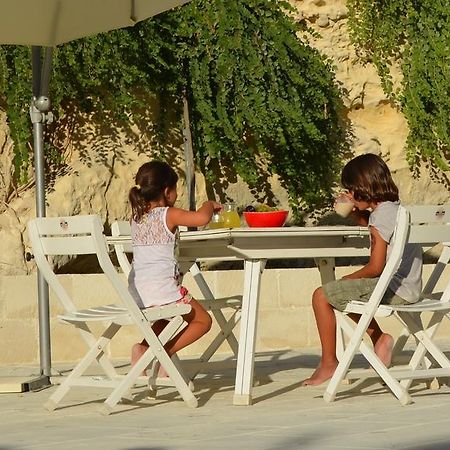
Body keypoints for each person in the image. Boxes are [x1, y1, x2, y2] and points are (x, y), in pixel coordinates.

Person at [302, 153, 423, 386]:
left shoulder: (380, 217)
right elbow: (374, 225)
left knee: (323, 295)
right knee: (344, 291)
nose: (349, 195)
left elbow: (376, 267)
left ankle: (329, 363)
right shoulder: (395, 210)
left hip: (394, 289)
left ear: (362, 187)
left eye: (351, 190)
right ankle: (379, 339)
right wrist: (356, 210)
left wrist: (347, 278)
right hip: (411, 288)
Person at [128, 160, 221, 375]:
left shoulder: (136, 217)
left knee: (163, 316)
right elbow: (201, 218)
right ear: (167, 191)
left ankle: (143, 348)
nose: (177, 195)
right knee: (203, 320)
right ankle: (164, 354)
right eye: (175, 189)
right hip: (162, 290)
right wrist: (209, 204)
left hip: (139, 291)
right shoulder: (168, 214)